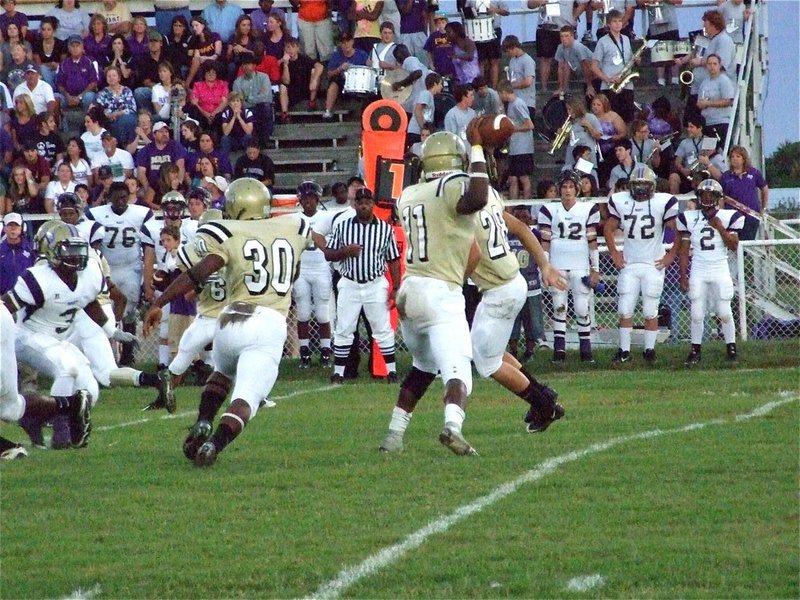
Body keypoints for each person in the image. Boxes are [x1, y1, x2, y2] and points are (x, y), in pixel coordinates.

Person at [143, 178, 313, 467]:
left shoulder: (226, 231)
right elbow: (306, 258)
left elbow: (196, 274)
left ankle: (203, 421)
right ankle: (214, 444)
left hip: (230, 318)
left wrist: (159, 303)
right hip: (269, 322)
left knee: (221, 372)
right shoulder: (293, 225)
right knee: (246, 398)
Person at [378, 126, 489, 456]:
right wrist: (479, 150)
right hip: (441, 293)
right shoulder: (453, 184)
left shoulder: (409, 194)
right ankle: (453, 426)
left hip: (410, 293)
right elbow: (478, 196)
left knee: (423, 367)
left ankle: (394, 437)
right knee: (458, 370)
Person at [2, 221, 135, 448]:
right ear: (50, 252)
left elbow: (89, 301)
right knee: (66, 369)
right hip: (27, 337)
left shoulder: (90, 273)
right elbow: (5, 308)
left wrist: (111, 330)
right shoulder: (36, 278)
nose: (76, 256)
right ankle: (60, 429)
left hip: (60, 340)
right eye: (68, 250)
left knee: (89, 391)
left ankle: (33, 416)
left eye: (78, 249)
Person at [469, 180, 567, 433]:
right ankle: (543, 394)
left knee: (487, 364)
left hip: (500, 289)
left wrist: (451, 282)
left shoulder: (462, 208)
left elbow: (473, 254)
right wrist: (544, 265)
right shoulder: (487, 196)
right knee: (489, 352)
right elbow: (522, 228)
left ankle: (544, 404)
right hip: (508, 283)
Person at [318, 187, 400, 383]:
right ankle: (338, 372)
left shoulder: (385, 229)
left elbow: (394, 260)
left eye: (367, 202)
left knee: (382, 329)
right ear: (354, 204)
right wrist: (345, 251)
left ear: (373, 204)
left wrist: (396, 288)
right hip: (350, 283)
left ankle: (392, 371)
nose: (364, 205)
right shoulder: (343, 227)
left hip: (375, 283)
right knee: (344, 328)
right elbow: (329, 253)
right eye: (360, 202)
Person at [604, 165, 678, 364]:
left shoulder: (662, 203)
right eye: (637, 185)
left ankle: (649, 350)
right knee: (624, 307)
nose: (641, 189)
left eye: (645, 185)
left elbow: (679, 231)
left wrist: (671, 255)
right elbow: (608, 228)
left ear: (652, 186)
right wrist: (614, 253)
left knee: (650, 310)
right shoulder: (621, 201)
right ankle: (624, 351)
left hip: (652, 263)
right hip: (630, 262)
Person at [87, 182, 156, 365]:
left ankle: (128, 353)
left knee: (130, 311)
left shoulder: (141, 213)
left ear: (129, 197)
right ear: (109, 198)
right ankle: (109, 354)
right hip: (107, 269)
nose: (121, 201)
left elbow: (149, 238)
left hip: (131, 268)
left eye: (124, 197)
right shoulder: (96, 214)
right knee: (107, 310)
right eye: (117, 198)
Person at [537, 169, 601, 363]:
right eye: (564, 186)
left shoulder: (588, 209)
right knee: (559, 306)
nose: (567, 191)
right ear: (559, 189)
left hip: (579, 263)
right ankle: (559, 351)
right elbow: (545, 242)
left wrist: (595, 268)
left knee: (582, 308)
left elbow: (592, 241)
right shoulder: (548, 210)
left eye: (571, 187)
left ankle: (586, 351)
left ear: (577, 189)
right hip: (557, 264)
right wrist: (545, 267)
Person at [677, 178, 743, 366]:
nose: (706, 198)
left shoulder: (729, 217)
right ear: (698, 196)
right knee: (697, 313)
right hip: (699, 267)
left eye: (710, 194)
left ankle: (731, 347)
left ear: (717, 197)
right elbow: (683, 250)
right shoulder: (689, 218)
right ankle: (695, 350)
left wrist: (720, 227)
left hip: (719, 267)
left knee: (724, 311)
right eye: (703, 194)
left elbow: (733, 246)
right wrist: (683, 275)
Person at [291, 181, 334, 368]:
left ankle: (326, 351)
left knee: (323, 314)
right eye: (305, 198)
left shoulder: (328, 216)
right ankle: (304, 353)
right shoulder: (293, 219)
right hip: (302, 268)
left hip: (321, 267)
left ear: (318, 199)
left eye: (311, 198)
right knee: (303, 313)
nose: (308, 202)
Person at [711, 145, 768, 241]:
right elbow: (721, 197)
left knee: (747, 244)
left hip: (751, 216)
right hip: (732, 216)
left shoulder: (754, 173)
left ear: (744, 159)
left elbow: (764, 188)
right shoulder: (726, 176)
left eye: (738, 156)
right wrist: (722, 212)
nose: (735, 159)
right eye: (732, 157)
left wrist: (763, 207)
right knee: (733, 243)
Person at [591, 9, 636, 122]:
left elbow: (628, 61)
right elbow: (594, 67)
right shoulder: (602, 41)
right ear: (608, 24)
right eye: (614, 21)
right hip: (610, 87)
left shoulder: (626, 39)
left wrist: (636, 60)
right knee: (610, 120)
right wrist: (608, 79)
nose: (618, 24)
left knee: (628, 119)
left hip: (626, 85)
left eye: (620, 21)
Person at [528, 0, 580, 92]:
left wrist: (574, 18)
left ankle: (564, 88)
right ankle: (544, 89)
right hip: (545, 26)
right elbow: (530, 4)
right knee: (545, 58)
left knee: (566, 59)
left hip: (565, 27)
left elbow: (583, 3)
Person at [498, 81, 535, 199]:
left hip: (523, 148)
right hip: (515, 147)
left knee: (523, 177)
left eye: (500, 94)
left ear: (504, 92)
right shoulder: (511, 105)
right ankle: (513, 205)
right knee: (513, 177)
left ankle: (526, 205)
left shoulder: (518, 104)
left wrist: (513, 129)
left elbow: (529, 125)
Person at [323, 31, 369, 120]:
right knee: (334, 83)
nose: (346, 44)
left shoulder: (362, 54)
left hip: (358, 83)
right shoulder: (336, 55)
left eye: (348, 41)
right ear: (340, 44)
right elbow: (329, 74)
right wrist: (339, 69)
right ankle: (328, 111)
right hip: (342, 84)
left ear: (352, 41)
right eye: (343, 42)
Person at [135, 120, 187, 197]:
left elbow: (180, 166)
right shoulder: (146, 150)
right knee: (140, 194)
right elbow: (141, 173)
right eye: (161, 132)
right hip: (153, 186)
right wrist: (148, 188)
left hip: (172, 185)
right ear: (154, 134)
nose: (165, 134)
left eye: (166, 132)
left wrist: (178, 184)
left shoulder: (175, 146)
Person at [278, 37, 324, 122]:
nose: (291, 50)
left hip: (307, 87)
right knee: (282, 87)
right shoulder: (282, 62)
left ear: (297, 48)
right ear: (284, 49)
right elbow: (286, 81)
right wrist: (285, 65)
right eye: (288, 47)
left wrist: (314, 80)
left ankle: (312, 101)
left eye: (293, 47)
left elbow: (320, 66)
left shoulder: (304, 58)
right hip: (292, 90)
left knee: (314, 71)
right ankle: (284, 113)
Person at [232, 54, 274, 144]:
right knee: (246, 111)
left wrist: (249, 99)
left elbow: (266, 97)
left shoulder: (264, 77)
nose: (245, 66)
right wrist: (257, 97)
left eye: (248, 64)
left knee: (266, 107)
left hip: (262, 107)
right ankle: (252, 141)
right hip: (246, 108)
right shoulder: (237, 82)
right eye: (243, 64)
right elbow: (239, 101)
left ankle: (265, 140)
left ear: (254, 65)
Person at [640, 0, 681, 87]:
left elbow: (679, 1)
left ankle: (675, 80)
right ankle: (660, 81)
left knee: (674, 52)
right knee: (658, 52)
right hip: (655, 26)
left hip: (671, 24)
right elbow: (640, 3)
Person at [55, 35, 99, 114]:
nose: (75, 48)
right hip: (67, 96)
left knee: (89, 97)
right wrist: (68, 96)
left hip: (84, 95)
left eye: (77, 46)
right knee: (56, 97)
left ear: (82, 48)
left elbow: (93, 83)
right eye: (73, 46)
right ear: (69, 49)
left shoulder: (89, 62)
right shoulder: (64, 64)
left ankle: (88, 120)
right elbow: (59, 84)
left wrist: (80, 97)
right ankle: (61, 124)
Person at [696, 54, 734, 145]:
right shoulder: (704, 82)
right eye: (709, 64)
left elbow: (729, 101)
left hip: (721, 122)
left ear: (720, 65)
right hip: (707, 123)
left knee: (722, 150)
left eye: (714, 64)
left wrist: (708, 103)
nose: (712, 66)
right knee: (708, 152)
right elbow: (699, 102)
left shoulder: (724, 80)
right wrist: (701, 104)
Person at [95, 65, 138, 145]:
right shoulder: (103, 93)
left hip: (125, 119)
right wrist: (109, 115)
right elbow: (99, 109)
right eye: (109, 76)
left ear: (119, 78)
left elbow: (132, 108)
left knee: (127, 120)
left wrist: (117, 114)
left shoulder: (126, 90)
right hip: (109, 121)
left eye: (114, 75)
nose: (111, 78)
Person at [553, 25, 596, 100]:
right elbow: (561, 68)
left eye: (566, 36)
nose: (564, 39)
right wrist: (561, 87)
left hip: (594, 75)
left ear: (572, 36)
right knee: (565, 65)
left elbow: (586, 65)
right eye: (562, 36)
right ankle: (564, 89)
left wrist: (589, 85)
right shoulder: (560, 47)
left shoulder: (577, 47)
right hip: (580, 73)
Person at [502, 35, 537, 121]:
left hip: (526, 102)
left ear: (514, 47)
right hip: (514, 101)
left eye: (509, 51)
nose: (508, 54)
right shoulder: (512, 60)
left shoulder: (527, 61)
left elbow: (528, 81)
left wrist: (512, 86)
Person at [0, 212, 35, 295]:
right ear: (4, 228)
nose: (13, 228)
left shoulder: (32, 249)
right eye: (10, 225)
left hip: (28, 297)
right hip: (4, 298)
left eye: (16, 225)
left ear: (22, 227)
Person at [32, 16, 66, 88]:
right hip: (43, 74)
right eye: (43, 29)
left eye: (49, 29)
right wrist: (49, 64)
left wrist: (57, 65)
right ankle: (52, 90)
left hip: (58, 71)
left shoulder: (61, 44)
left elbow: (64, 63)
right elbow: (38, 64)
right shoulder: (37, 44)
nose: (46, 32)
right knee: (43, 69)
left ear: (53, 30)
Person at [445, 21, 479, 87]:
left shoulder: (468, 42)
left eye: (449, 32)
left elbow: (470, 57)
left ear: (457, 32)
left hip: (472, 79)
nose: (447, 35)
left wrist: (456, 56)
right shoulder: (453, 45)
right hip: (461, 81)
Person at [424, 12, 455, 79]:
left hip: (452, 67)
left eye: (443, 22)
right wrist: (431, 64)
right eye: (439, 23)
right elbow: (428, 50)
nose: (441, 25)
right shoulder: (433, 36)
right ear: (436, 25)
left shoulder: (453, 35)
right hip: (439, 67)